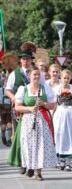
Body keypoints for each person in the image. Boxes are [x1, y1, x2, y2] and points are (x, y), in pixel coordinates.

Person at [14, 66, 57, 180]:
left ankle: (38, 172)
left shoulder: (45, 88)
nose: (37, 76)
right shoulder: (23, 89)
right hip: (28, 121)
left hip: (42, 120)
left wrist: (43, 103)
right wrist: (29, 109)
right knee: (28, 145)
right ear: (29, 76)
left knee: (40, 145)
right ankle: (30, 166)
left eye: (38, 74)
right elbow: (17, 107)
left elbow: (53, 105)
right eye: (34, 74)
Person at [6, 41, 36, 175]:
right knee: (20, 137)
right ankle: (23, 163)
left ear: (31, 60)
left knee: (34, 138)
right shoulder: (15, 74)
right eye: (23, 58)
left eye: (28, 58)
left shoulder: (36, 73)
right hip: (20, 111)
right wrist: (13, 98)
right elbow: (7, 90)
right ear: (20, 60)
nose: (25, 61)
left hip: (35, 110)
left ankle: (33, 164)